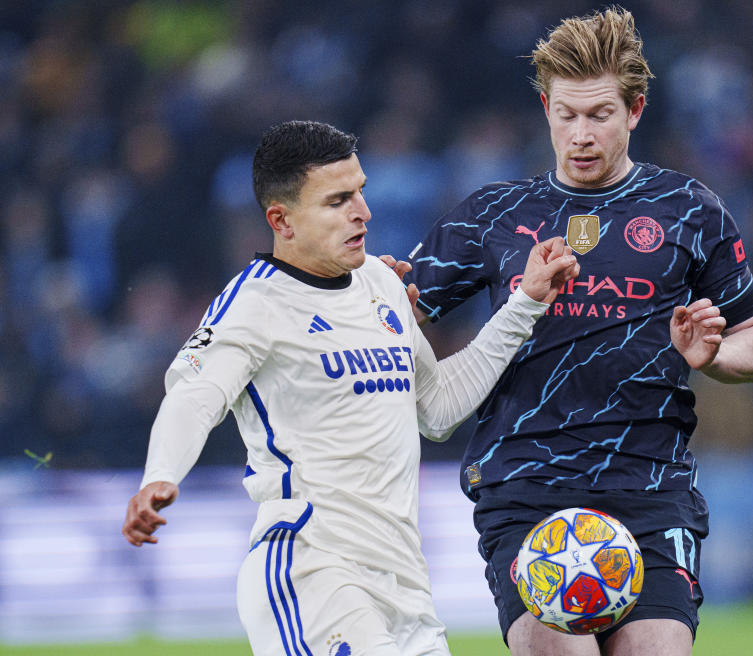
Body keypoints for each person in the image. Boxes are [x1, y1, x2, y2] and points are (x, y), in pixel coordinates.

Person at [120, 120, 579, 656]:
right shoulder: (253, 304)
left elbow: (436, 409)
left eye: (359, 191)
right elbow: (194, 398)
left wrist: (524, 305)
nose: (363, 212)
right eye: (337, 200)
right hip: (313, 571)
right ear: (281, 220)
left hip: (405, 582)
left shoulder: (381, 285)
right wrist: (160, 476)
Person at [404, 8, 753, 656]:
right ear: (545, 107)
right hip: (526, 488)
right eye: (566, 114)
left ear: (634, 111)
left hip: (651, 489)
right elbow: (399, 314)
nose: (580, 133)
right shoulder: (495, 214)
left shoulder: (690, 211)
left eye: (599, 115)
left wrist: (712, 356)